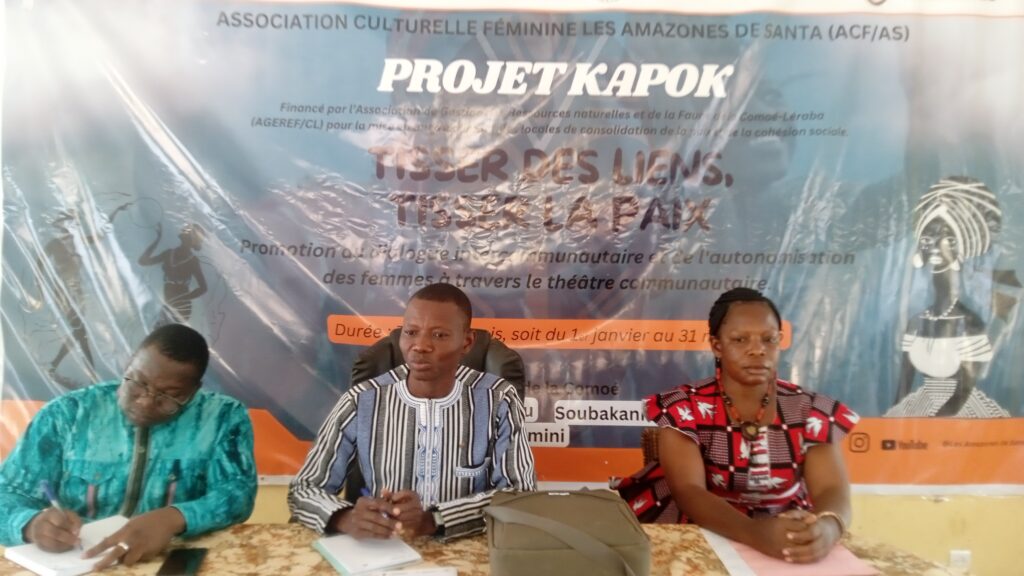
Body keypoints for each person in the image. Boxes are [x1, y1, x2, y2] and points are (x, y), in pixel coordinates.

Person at [289, 283, 536, 540]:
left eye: (439, 335)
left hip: (468, 548)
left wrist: (435, 520)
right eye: (411, 332)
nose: (420, 346)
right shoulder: (362, 400)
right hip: (384, 548)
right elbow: (304, 489)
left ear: (467, 342)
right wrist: (346, 518)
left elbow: (520, 495)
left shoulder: (498, 399)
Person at [0, 324, 257, 569]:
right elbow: (7, 492)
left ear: (193, 391)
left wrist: (173, 518)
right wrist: (29, 525)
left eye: (168, 395)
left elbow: (237, 495)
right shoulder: (67, 414)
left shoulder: (223, 418)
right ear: (129, 364)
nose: (146, 402)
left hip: (172, 562)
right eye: (138, 383)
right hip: (79, 563)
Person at [637, 288, 858, 563]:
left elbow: (830, 489)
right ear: (717, 346)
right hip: (698, 528)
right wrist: (754, 533)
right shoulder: (684, 407)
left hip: (787, 532)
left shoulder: (810, 410)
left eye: (769, 339)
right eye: (740, 339)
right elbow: (688, 491)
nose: (757, 349)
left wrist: (827, 527)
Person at [887, 176, 1009, 417]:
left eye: (948, 238)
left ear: (960, 246)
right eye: (927, 237)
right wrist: (894, 422)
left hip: (962, 414)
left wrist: (935, 424)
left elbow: (963, 390)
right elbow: (903, 385)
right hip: (919, 409)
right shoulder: (915, 322)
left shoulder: (971, 323)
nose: (935, 244)